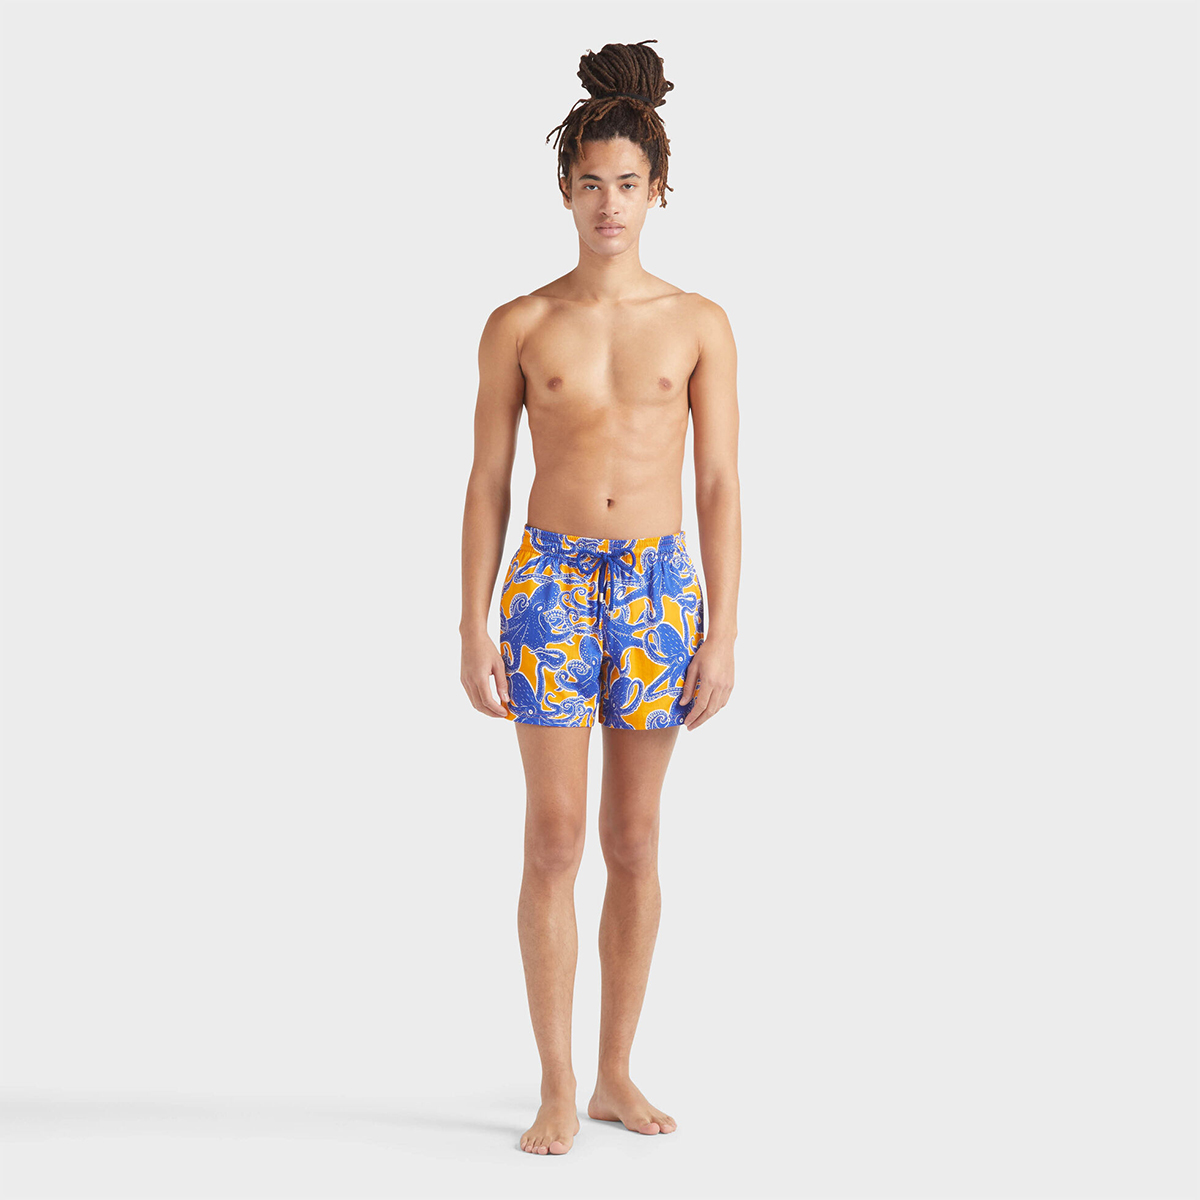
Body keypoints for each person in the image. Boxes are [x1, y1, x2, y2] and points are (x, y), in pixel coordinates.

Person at [458, 39, 741, 1156]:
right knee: (554, 837)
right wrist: (470, 620)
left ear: (658, 187)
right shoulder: (520, 324)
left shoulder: (699, 322)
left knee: (634, 836)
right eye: (590, 183)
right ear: (565, 189)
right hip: (549, 586)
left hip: (661, 586)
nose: (608, 203)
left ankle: (618, 1069)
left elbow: (718, 483)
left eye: (627, 182)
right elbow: (487, 479)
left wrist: (724, 629)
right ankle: (558, 1081)